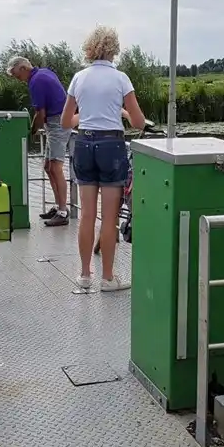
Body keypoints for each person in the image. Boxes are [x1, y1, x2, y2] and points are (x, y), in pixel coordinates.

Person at [61, 26, 146, 292]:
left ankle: (84, 275)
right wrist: (120, 112)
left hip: (84, 143)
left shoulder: (79, 78)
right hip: (112, 146)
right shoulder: (121, 79)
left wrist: (85, 118)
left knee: (87, 215)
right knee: (108, 218)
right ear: (114, 49)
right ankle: (108, 278)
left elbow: (66, 122)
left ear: (90, 49)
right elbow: (139, 122)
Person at [6, 56, 70, 227]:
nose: (17, 79)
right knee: (48, 166)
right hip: (57, 121)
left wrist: (31, 132)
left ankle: (63, 212)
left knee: (56, 167)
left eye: (16, 75)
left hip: (58, 123)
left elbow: (39, 114)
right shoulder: (44, 72)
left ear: (22, 68)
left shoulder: (35, 81)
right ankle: (58, 207)